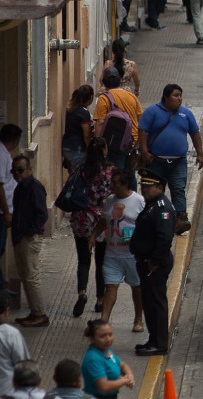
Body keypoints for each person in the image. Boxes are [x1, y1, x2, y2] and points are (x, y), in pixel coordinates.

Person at [138, 84, 203, 235]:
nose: (179, 98)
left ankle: (181, 219)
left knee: (178, 189)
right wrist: (144, 151)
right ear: (166, 97)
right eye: (175, 95)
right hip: (155, 161)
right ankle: (151, 217)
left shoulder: (186, 114)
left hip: (178, 161)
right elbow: (143, 130)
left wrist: (200, 155)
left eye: (180, 95)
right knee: (152, 190)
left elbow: (195, 134)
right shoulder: (152, 111)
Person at [130, 172, 177, 356]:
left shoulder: (163, 209)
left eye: (148, 187)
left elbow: (164, 239)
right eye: (143, 186)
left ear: (159, 188)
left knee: (156, 303)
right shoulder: (151, 206)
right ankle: (153, 339)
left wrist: (155, 262)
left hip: (155, 265)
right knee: (148, 303)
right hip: (146, 262)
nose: (144, 190)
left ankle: (160, 343)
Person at [92, 170, 144, 332]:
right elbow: (103, 220)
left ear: (125, 184)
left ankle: (138, 320)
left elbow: (146, 224)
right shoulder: (109, 201)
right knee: (111, 287)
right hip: (112, 254)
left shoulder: (139, 201)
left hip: (132, 256)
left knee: (137, 287)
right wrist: (93, 236)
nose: (111, 186)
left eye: (115, 183)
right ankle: (104, 321)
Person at [69, 139, 114, 320]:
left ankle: (82, 293)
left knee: (83, 259)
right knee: (101, 260)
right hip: (101, 219)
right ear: (104, 150)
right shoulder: (110, 171)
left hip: (81, 219)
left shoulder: (81, 169)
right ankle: (100, 299)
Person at [8, 155, 49, 328]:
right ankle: (34, 312)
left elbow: (42, 214)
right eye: (14, 171)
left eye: (21, 170)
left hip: (28, 238)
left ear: (29, 170)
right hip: (20, 237)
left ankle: (40, 313)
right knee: (25, 275)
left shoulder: (35, 187)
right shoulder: (20, 188)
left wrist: (30, 232)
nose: (17, 174)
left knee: (31, 276)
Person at [80, 320, 135, 399]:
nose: (108, 339)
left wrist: (130, 375)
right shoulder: (93, 359)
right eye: (103, 336)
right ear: (92, 338)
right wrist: (124, 380)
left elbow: (122, 365)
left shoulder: (107, 351)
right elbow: (103, 386)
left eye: (110, 334)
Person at [92, 68, 143, 171]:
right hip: (132, 140)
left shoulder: (104, 98)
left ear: (104, 82)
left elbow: (100, 122)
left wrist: (98, 143)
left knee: (116, 172)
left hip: (114, 141)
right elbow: (141, 119)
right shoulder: (131, 96)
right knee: (129, 172)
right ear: (120, 81)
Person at [0, 124, 22, 298]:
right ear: (14, 140)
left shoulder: (3, 152)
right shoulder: (0, 154)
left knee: (1, 247)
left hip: (7, 209)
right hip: (2, 211)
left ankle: (0, 283)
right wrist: (6, 212)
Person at [61, 86, 94, 173]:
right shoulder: (83, 113)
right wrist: (90, 149)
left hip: (67, 146)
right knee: (78, 177)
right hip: (77, 149)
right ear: (91, 98)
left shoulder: (70, 109)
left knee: (73, 176)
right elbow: (86, 134)